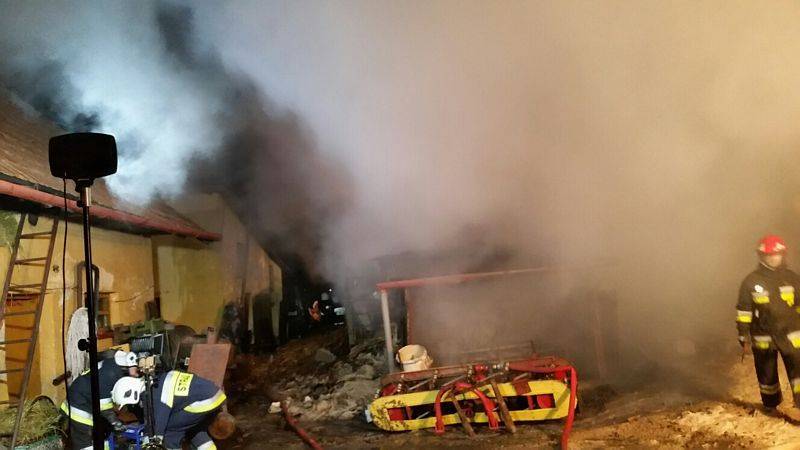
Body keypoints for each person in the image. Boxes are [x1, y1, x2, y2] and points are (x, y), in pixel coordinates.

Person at [737, 235, 800, 412]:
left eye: (777, 254)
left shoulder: (792, 278)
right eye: (769, 254)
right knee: (767, 374)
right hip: (764, 336)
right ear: (761, 256)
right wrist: (744, 336)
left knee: (799, 371)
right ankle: (771, 405)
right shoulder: (751, 281)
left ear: (783, 255)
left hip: (792, 333)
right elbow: (744, 311)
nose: (773, 258)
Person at [113, 370, 226, 450]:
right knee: (190, 428)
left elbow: (159, 420)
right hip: (212, 395)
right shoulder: (157, 382)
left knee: (170, 430)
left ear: (132, 394)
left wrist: (151, 440)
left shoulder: (156, 394)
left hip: (203, 401)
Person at [61, 350, 139, 450]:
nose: (137, 373)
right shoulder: (111, 373)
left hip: (83, 396)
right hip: (80, 402)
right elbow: (104, 406)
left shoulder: (113, 366)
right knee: (84, 438)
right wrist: (115, 422)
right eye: (136, 369)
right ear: (129, 364)